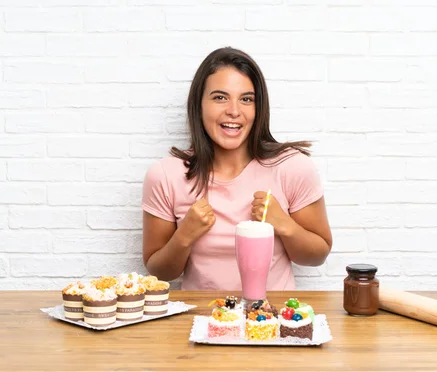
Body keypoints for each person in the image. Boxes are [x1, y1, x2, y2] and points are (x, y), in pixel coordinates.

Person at [141, 47, 332, 291]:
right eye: (220, 97)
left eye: (246, 99)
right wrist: (184, 236)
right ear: (199, 104)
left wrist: (284, 224)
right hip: (201, 323)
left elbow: (317, 256)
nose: (234, 110)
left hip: (271, 322)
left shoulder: (292, 168)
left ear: (258, 108)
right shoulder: (165, 176)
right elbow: (159, 271)